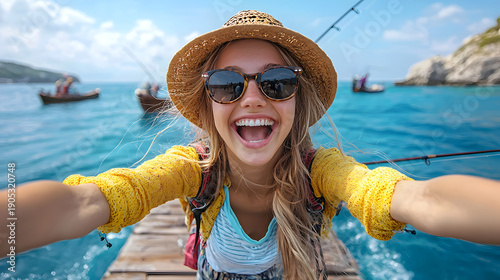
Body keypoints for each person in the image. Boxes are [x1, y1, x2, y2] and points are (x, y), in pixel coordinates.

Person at [1, 10, 500, 280]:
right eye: (227, 83)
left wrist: (410, 198)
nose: (252, 97)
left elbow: (412, 198)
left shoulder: (322, 171)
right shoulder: (190, 169)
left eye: (277, 81)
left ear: (297, 100)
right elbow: (89, 199)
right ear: (210, 102)